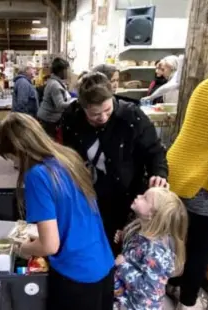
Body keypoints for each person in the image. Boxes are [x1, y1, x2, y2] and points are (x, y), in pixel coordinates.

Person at [0, 113, 114, 310]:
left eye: (10, 157)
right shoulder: (67, 158)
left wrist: (23, 248)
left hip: (75, 275)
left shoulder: (36, 175)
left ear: (18, 150)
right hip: (102, 263)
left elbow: (50, 245)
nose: (13, 164)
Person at [60, 72, 168, 254]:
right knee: (91, 241)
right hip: (88, 192)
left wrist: (159, 172)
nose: (103, 117)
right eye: (95, 114)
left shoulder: (131, 116)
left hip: (126, 195)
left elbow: (154, 151)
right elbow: (68, 154)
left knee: (119, 244)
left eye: (107, 110)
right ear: (82, 107)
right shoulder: (71, 118)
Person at [166, 60, 208, 310]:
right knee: (201, 248)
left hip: (177, 175)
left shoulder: (206, 86)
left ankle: (172, 283)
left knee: (179, 238)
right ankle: (187, 302)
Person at [113, 187, 188, 310]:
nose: (138, 196)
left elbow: (148, 289)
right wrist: (124, 237)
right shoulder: (142, 227)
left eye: (145, 198)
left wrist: (123, 266)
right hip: (125, 292)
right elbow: (136, 252)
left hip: (134, 304)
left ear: (152, 214)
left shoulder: (157, 252)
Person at [37, 57, 74, 138]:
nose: (68, 72)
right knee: (49, 144)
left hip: (46, 118)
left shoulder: (54, 81)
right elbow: (60, 105)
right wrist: (74, 102)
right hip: (48, 120)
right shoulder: (55, 85)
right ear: (61, 71)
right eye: (67, 70)